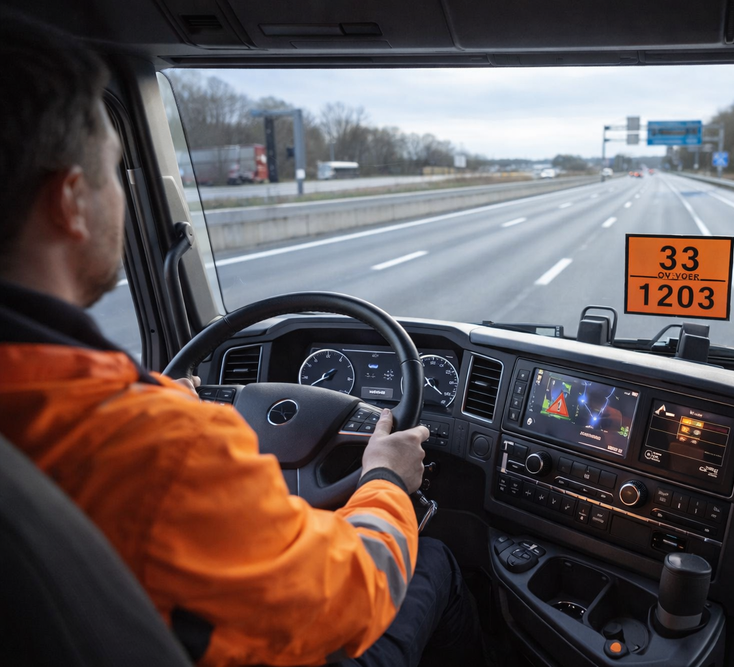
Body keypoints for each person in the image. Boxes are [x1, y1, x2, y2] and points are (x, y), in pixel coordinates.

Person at [0, 12, 479, 667]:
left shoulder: (60, 409)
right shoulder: (162, 451)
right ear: (71, 201)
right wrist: (386, 480)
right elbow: (348, 598)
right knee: (437, 560)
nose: (122, 194)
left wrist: (164, 393)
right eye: (117, 170)